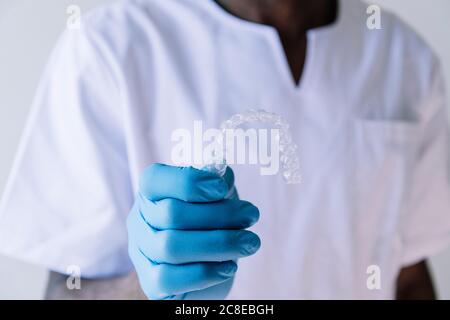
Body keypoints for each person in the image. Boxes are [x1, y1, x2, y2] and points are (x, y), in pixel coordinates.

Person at [0, 0, 449, 299]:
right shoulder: (111, 45)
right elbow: (70, 288)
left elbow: (407, 273)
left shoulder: (404, 57)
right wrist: (149, 284)